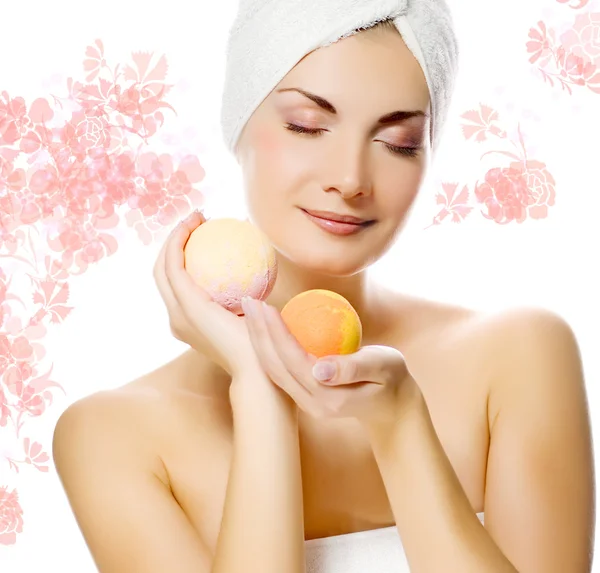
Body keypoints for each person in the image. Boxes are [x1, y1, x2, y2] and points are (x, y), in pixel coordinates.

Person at [52, 6, 595, 573]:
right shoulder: (112, 436)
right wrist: (260, 393)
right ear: (237, 124)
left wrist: (403, 427)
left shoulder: (518, 357)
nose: (351, 178)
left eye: (399, 141)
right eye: (307, 125)